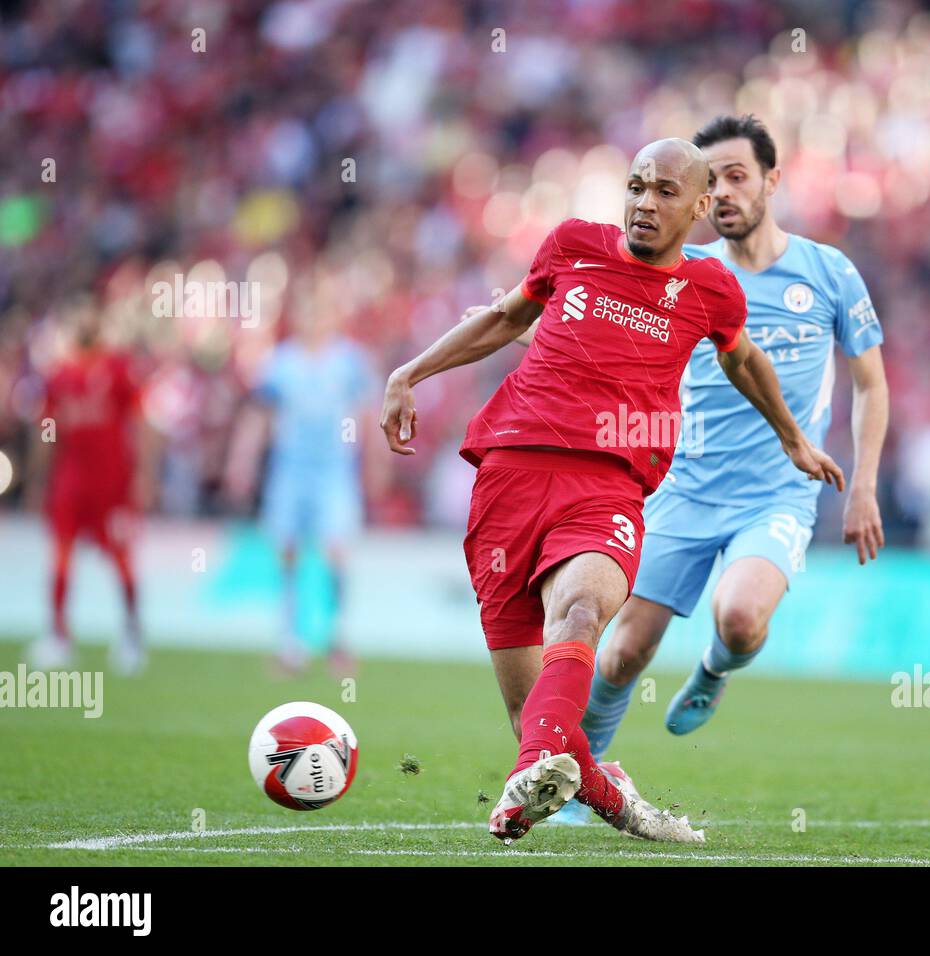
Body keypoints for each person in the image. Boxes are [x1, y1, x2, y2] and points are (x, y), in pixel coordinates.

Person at [380, 137, 843, 843]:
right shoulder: (572, 245)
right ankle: (615, 797)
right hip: (508, 476)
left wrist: (791, 435)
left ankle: (541, 771)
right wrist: (409, 373)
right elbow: (506, 319)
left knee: (580, 613)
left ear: (697, 209)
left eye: (663, 192)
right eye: (635, 186)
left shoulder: (711, 289)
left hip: (607, 487)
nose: (644, 203)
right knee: (533, 714)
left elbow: (743, 358)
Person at [573, 114, 889, 783]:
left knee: (741, 618)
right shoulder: (681, 272)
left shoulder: (829, 273)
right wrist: (512, 327)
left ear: (772, 181)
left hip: (777, 490)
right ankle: (582, 775)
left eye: (737, 176)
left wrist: (863, 486)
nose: (721, 193)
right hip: (685, 487)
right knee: (621, 653)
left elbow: (870, 382)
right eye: (709, 181)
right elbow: (599, 337)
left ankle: (715, 669)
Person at [225, 276, 374, 676]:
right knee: (288, 552)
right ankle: (290, 643)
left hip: (333, 471)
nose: (315, 319)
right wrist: (242, 460)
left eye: (321, 311)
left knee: (335, 551)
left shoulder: (348, 361)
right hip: (290, 469)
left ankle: (337, 637)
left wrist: (376, 462)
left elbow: (366, 414)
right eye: (308, 311)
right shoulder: (282, 362)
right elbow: (259, 414)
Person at [26, 302, 154, 674]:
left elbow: (140, 422)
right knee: (61, 555)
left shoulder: (118, 371)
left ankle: (131, 634)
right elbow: (46, 432)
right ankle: (58, 635)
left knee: (121, 557)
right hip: (71, 480)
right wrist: (39, 478)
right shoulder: (58, 377)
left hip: (112, 482)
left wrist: (143, 474)